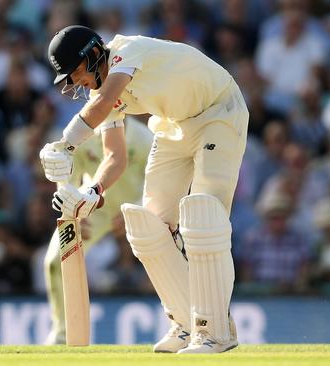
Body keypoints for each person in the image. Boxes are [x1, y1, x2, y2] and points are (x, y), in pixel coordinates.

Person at [39, 25, 248, 353]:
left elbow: (107, 99)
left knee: (204, 216)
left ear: (94, 54)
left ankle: (215, 331)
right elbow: (115, 158)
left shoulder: (127, 51)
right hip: (174, 126)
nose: (75, 82)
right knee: (149, 227)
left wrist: (65, 144)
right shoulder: (103, 96)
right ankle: (184, 322)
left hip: (219, 112)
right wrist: (92, 192)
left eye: (75, 72)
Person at [43, 118, 152, 345]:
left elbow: (157, 182)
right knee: (55, 260)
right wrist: (69, 214)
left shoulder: (144, 138)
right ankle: (63, 334)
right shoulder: (83, 136)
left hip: (137, 207)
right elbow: (68, 179)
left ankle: (184, 327)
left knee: (171, 258)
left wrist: (140, 208)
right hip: (93, 208)